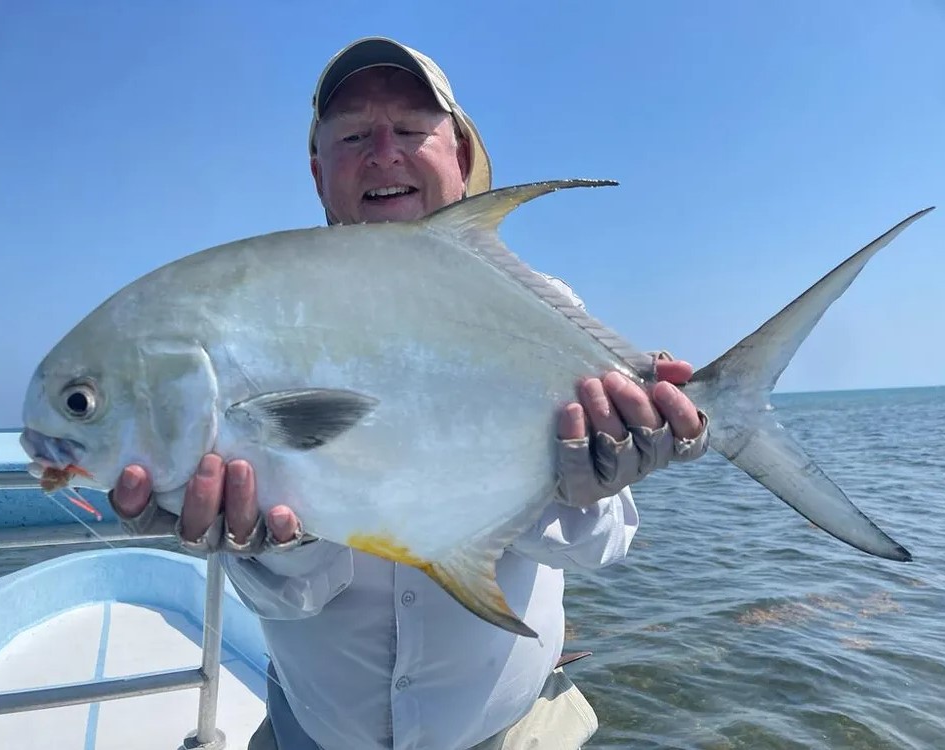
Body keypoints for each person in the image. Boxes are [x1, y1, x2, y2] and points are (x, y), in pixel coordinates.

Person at [109, 37, 709, 750]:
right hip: (314, 732)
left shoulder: (540, 307)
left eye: (412, 130)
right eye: (355, 135)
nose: (383, 152)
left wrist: (583, 487)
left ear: (458, 156)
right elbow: (292, 595)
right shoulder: (261, 321)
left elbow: (599, 547)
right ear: (318, 170)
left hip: (514, 733)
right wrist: (273, 543)